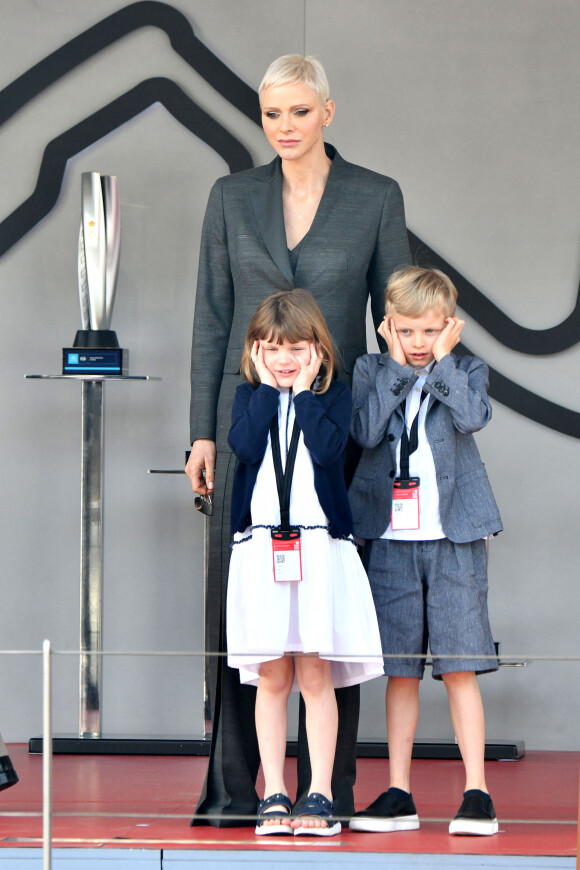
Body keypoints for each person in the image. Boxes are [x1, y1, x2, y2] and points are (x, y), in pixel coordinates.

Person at [185, 53, 411, 826]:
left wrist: (400, 423)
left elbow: (394, 320)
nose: (284, 127)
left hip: (335, 431)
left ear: (328, 112)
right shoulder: (230, 196)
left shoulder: (375, 197)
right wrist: (202, 436)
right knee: (243, 615)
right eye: (272, 113)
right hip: (243, 429)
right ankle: (240, 790)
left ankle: (326, 788)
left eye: (298, 112)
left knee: (326, 624)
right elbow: (213, 320)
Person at [348, 266, 502, 837]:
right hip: (389, 540)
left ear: (449, 327)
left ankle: (477, 792)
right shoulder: (371, 369)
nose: (416, 343)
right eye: (406, 332)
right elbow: (363, 433)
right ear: (388, 326)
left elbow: (472, 418)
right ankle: (398, 793)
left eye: (428, 332)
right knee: (400, 671)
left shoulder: (464, 370)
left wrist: (441, 362)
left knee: (461, 667)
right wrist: (393, 366)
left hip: (456, 538)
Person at [226, 289, 383, 836]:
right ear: (254, 351)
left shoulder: (333, 396)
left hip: (316, 546)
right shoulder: (249, 397)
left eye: (295, 347)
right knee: (272, 674)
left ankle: (318, 793)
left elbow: (328, 449)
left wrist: (307, 395)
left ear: (316, 348)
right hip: (262, 547)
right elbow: (244, 449)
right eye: (271, 348)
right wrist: (271, 393)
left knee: (315, 674)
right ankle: (273, 792)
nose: (283, 358)